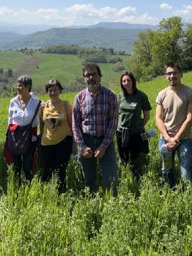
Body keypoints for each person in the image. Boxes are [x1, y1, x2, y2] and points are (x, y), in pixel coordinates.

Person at [72, 63, 119, 195]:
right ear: (84, 78)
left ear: (100, 76)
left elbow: (113, 122)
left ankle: (112, 203)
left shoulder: (110, 95)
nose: (91, 78)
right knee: (89, 180)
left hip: (106, 142)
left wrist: (103, 146)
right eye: (87, 75)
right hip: (86, 141)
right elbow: (75, 124)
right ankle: (93, 203)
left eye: (94, 74)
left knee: (110, 180)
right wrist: (82, 146)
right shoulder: (79, 97)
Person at [156, 61, 192, 188]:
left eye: (175, 73)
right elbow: (158, 119)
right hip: (165, 139)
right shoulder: (162, 94)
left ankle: (189, 198)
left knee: (186, 173)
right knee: (166, 171)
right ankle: (170, 194)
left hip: (184, 139)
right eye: (168, 73)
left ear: (181, 74)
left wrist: (175, 139)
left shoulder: (190, 93)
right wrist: (168, 138)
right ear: (165, 76)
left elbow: (190, 120)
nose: (172, 76)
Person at [38, 79, 75, 193]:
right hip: (46, 143)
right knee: (47, 171)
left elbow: (72, 125)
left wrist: (74, 145)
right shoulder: (43, 106)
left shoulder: (66, 105)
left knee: (60, 171)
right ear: (47, 92)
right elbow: (42, 126)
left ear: (59, 90)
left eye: (55, 90)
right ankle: (47, 194)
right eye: (50, 90)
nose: (53, 92)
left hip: (63, 143)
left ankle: (61, 194)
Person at [116, 71, 152, 180]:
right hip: (121, 132)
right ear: (121, 83)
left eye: (128, 80)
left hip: (136, 133)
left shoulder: (141, 96)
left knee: (135, 157)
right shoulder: (120, 95)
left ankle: (136, 179)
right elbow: (118, 112)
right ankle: (123, 178)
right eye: (124, 81)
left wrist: (138, 127)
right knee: (122, 157)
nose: (126, 83)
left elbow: (147, 116)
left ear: (133, 81)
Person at [6, 75, 40, 184]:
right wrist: (9, 138)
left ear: (28, 87)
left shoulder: (37, 102)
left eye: (20, 86)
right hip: (16, 138)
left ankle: (28, 186)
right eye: (17, 85)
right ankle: (17, 187)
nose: (17, 88)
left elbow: (42, 120)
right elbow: (10, 120)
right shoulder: (13, 101)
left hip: (30, 139)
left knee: (27, 166)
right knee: (16, 166)